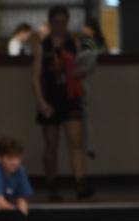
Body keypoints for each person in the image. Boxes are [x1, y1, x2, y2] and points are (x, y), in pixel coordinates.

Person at [32, 5, 93, 200]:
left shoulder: (73, 43)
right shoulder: (43, 46)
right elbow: (35, 77)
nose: (60, 26)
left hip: (70, 97)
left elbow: (80, 68)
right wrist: (41, 101)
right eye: (57, 22)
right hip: (50, 98)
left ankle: (80, 182)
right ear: (50, 23)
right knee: (51, 145)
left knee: (75, 142)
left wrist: (80, 71)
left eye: (64, 23)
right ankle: (52, 184)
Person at [77, 19, 106, 160]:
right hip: (86, 83)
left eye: (85, 27)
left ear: (91, 29)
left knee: (86, 115)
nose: (82, 29)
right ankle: (88, 146)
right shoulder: (99, 41)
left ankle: (89, 146)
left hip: (86, 82)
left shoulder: (88, 43)